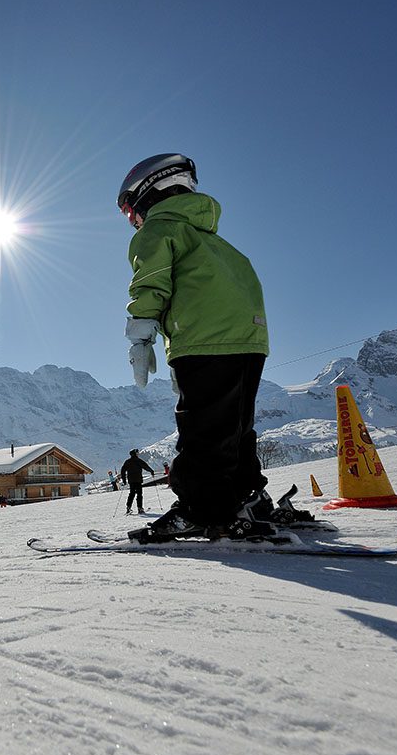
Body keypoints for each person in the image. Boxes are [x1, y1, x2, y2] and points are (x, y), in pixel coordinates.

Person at [117, 153, 277, 542]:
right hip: (249, 342)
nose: (132, 222)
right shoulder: (220, 245)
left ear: (146, 195)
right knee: (235, 428)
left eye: (129, 211)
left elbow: (152, 282)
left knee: (203, 430)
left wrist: (141, 335)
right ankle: (247, 498)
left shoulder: (159, 230)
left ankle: (203, 510)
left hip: (204, 339)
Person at [119, 449, 155, 514]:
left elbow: (123, 471)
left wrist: (124, 480)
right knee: (139, 494)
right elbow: (145, 466)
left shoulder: (127, 461)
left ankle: (128, 507)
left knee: (131, 494)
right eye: (137, 453)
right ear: (135, 454)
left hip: (131, 481)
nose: (138, 454)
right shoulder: (138, 460)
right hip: (138, 480)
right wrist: (151, 471)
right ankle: (140, 508)